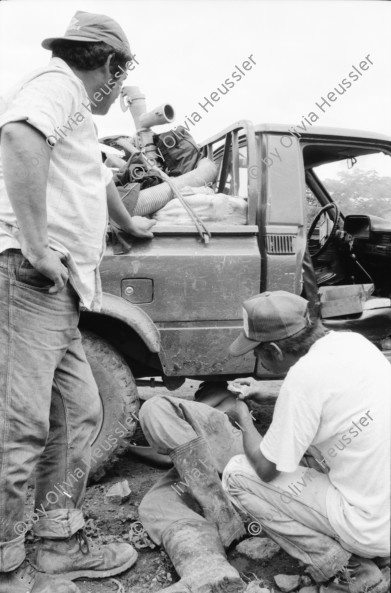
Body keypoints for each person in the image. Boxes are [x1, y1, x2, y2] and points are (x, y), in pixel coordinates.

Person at [0, 10, 155, 593]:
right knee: (20, 428)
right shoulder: (59, 85)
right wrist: (37, 246)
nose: (120, 90)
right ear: (111, 66)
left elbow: (96, 178)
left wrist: (127, 222)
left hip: (60, 293)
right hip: (29, 278)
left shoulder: (74, 116)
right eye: (122, 74)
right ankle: (7, 564)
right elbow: (19, 134)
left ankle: (58, 540)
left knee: (80, 414)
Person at [139, 291, 390, 593]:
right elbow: (327, 389)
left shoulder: (303, 379)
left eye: (256, 351)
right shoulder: (352, 343)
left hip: (369, 527)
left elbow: (266, 469)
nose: (255, 358)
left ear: (274, 349)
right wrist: (269, 391)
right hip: (378, 505)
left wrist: (244, 419)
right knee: (159, 414)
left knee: (235, 474)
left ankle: (342, 564)